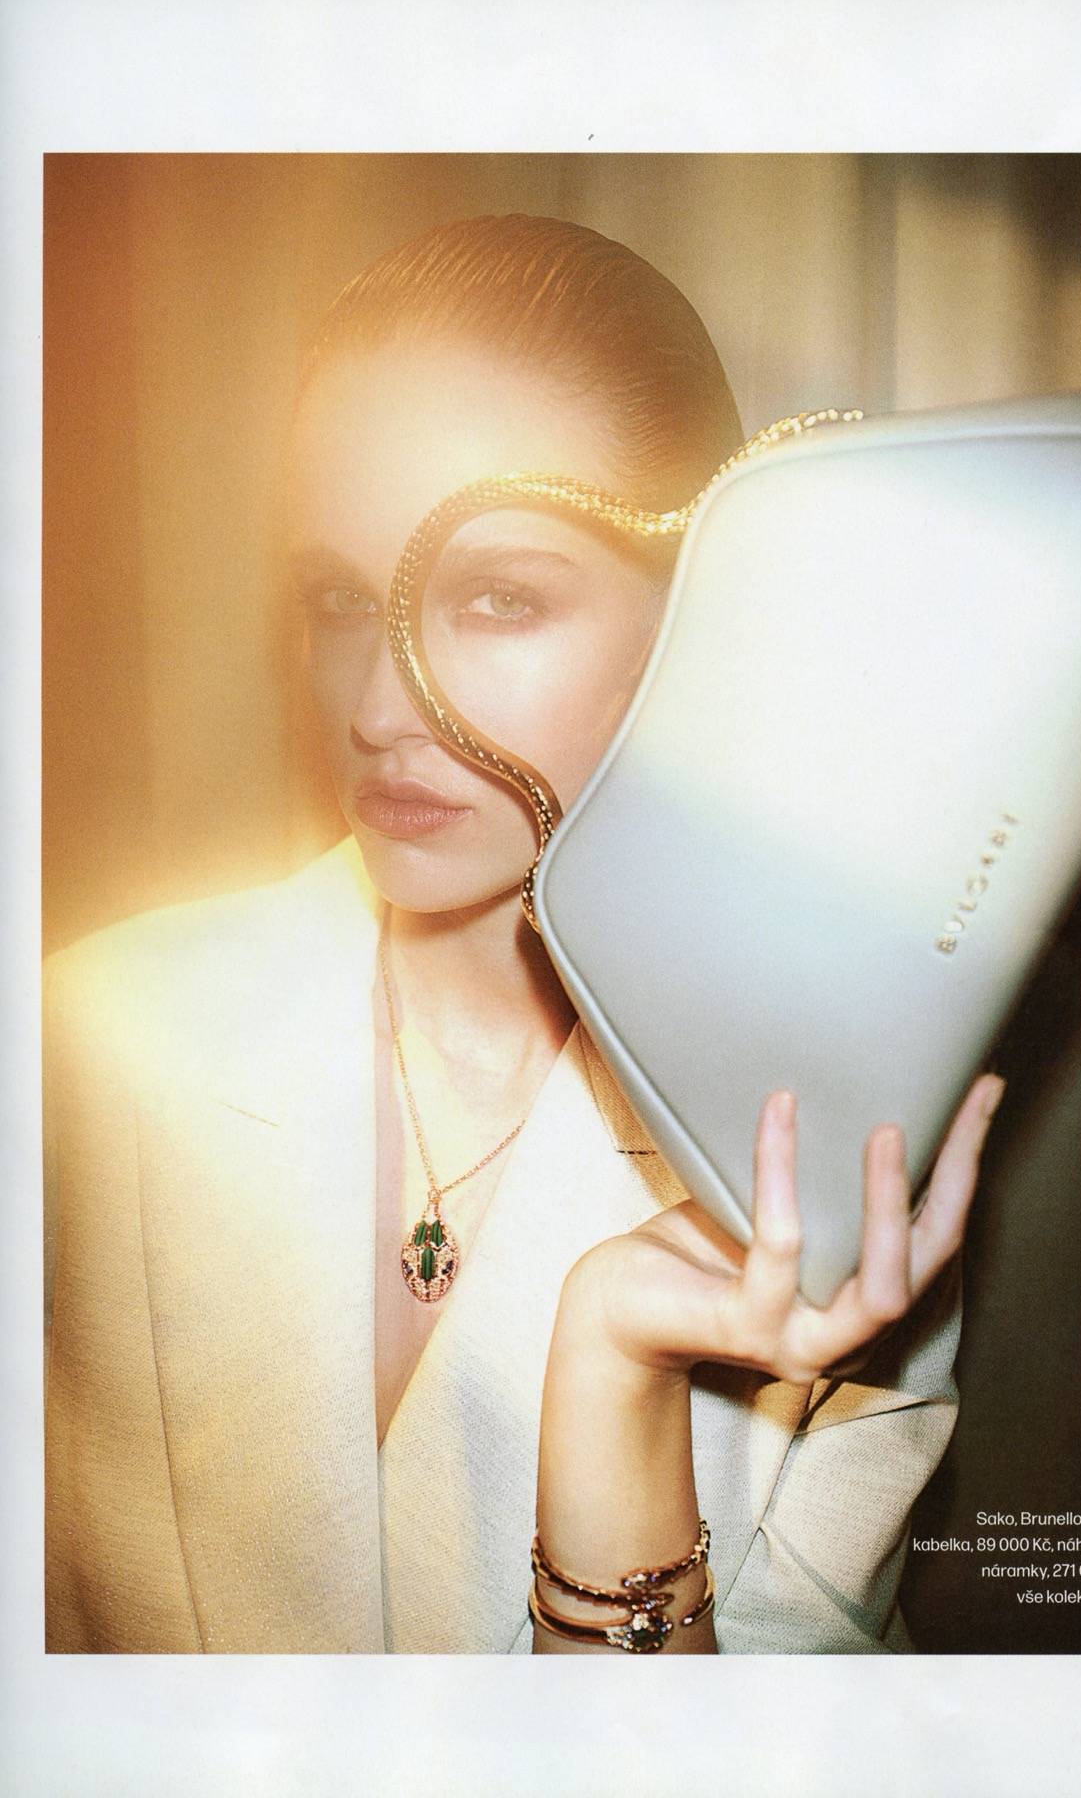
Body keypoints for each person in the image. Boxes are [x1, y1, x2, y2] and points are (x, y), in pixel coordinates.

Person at [43, 213, 1003, 1654]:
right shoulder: (87, 1048)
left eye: (499, 599)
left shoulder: (827, 1167)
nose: (381, 709)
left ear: (696, 623)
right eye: (339, 601)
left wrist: (616, 1379)